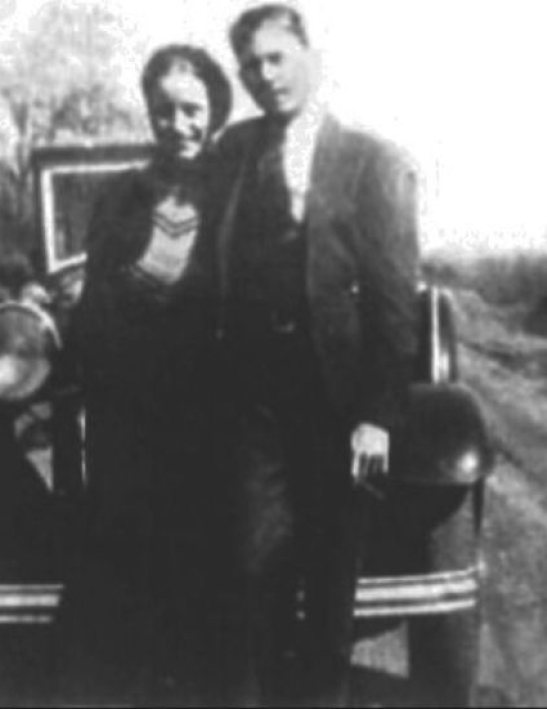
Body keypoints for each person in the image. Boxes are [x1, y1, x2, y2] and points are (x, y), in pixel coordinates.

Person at [205, 4, 421, 705]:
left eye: (276, 58)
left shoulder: (369, 160)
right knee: (248, 570)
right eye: (251, 66)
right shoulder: (231, 152)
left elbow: (392, 300)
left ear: (306, 54)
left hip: (334, 398)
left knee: (331, 584)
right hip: (252, 398)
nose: (264, 77)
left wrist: (377, 416)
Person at [67, 44, 232, 704]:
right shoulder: (118, 194)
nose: (177, 124)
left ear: (214, 112)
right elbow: (99, 290)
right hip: (128, 402)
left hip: (216, 398)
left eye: (191, 109)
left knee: (210, 557)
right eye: (163, 110)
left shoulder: (241, 188)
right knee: (126, 558)